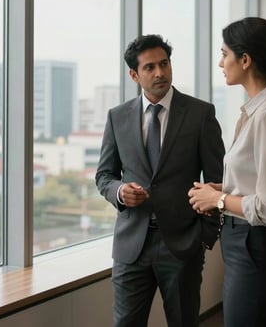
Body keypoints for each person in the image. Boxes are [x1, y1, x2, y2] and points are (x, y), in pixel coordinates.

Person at [188, 17, 266, 327]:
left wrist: (218, 199)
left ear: (245, 60)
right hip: (249, 246)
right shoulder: (257, 111)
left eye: (224, 54)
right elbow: (258, 182)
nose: (220, 62)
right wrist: (225, 188)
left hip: (257, 247)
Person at [96, 34, 225, 327]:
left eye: (164, 64)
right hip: (131, 246)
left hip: (182, 245)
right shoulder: (117, 117)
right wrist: (119, 192)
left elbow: (218, 180)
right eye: (150, 67)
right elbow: (104, 175)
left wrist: (204, 237)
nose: (160, 73)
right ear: (134, 74)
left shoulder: (200, 114)